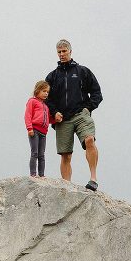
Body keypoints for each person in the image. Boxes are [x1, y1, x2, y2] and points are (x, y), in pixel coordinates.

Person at [44, 39, 103, 191]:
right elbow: (46, 99)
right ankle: (67, 186)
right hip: (62, 119)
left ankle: (93, 178)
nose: (62, 54)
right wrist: (54, 112)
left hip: (81, 114)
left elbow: (97, 93)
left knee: (89, 139)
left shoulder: (83, 71)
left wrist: (88, 108)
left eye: (64, 51)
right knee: (65, 155)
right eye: (59, 52)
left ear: (71, 51)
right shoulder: (52, 77)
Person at [24, 80, 53, 178]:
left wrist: (56, 120)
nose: (46, 93)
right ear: (37, 91)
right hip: (34, 131)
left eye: (47, 92)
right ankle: (33, 174)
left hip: (43, 133)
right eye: (44, 91)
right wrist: (29, 128)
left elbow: (48, 119)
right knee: (35, 153)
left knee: (42, 155)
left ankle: (42, 175)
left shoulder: (46, 106)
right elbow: (27, 115)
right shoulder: (32, 101)